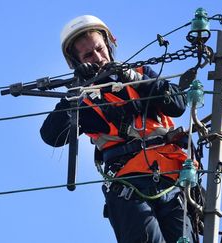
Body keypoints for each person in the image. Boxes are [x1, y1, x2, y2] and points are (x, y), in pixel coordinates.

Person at [40, 15, 194, 243]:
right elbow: (51, 136)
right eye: (88, 55)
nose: (99, 58)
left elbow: (178, 105)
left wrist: (132, 77)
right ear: (77, 63)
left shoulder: (141, 74)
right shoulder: (83, 100)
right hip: (129, 185)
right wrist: (75, 92)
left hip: (172, 179)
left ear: (109, 46)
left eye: (100, 49)